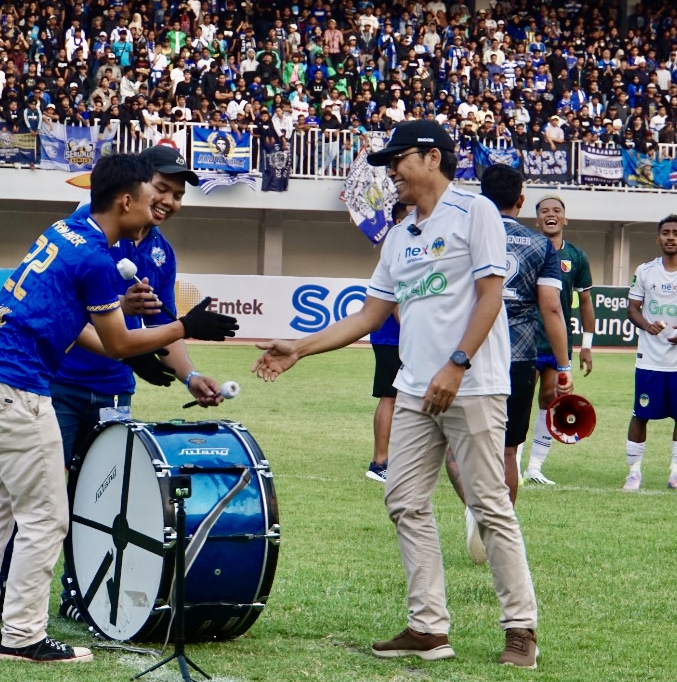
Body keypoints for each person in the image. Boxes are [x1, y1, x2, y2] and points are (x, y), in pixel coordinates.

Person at [252, 121, 539, 668]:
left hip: (473, 386)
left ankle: (521, 628)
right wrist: (300, 348)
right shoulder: (400, 236)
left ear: (432, 158)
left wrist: (457, 364)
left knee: (488, 505)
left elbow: (490, 296)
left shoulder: (476, 212)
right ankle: (429, 627)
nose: (390, 172)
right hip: (412, 391)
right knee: (404, 500)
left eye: (398, 159)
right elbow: (369, 314)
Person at [0, 153, 238, 663]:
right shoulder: (97, 258)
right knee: (45, 517)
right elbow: (118, 344)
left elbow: (86, 327)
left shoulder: (66, 229)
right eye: (152, 198)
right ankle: (22, 636)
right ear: (126, 200)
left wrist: (164, 355)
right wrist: (184, 327)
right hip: (18, 387)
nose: (159, 207)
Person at [51, 144, 225, 621]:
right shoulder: (93, 231)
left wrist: (189, 375)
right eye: (162, 190)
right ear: (136, 189)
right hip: (62, 384)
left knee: (101, 497)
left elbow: (162, 325)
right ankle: (15, 600)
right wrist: (121, 328)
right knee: (49, 496)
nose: (169, 201)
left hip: (114, 391)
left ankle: (81, 594)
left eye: (178, 195)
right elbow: (71, 315)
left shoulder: (160, 253)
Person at [447, 164, 571, 565]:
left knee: (453, 448)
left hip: (464, 353)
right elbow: (551, 308)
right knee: (507, 452)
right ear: (520, 201)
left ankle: (474, 509)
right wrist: (563, 363)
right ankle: (498, 532)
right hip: (516, 357)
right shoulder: (540, 246)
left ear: (481, 198)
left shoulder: (463, 234)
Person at [623, 215, 677, 493]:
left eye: (676, 233)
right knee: (641, 414)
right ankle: (634, 473)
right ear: (657, 238)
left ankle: (676, 474)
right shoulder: (645, 271)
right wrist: (647, 326)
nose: (670, 237)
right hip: (649, 360)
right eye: (665, 233)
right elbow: (632, 309)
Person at [521, 195, 595, 485]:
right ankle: (511, 462)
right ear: (537, 220)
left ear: (565, 218)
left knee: (549, 400)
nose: (550, 214)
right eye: (544, 211)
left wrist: (586, 345)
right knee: (519, 402)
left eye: (556, 210)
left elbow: (586, 301)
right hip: (525, 339)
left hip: (556, 344)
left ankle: (535, 467)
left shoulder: (576, 257)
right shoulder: (529, 250)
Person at [366, 201, 411, 483]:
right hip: (392, 338)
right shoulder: (396, 250)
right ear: (396, 222)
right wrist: (411, 332)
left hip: (402, 337)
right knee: (390, 397)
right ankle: (379, 462)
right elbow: (395, 300)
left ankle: (398, 460)